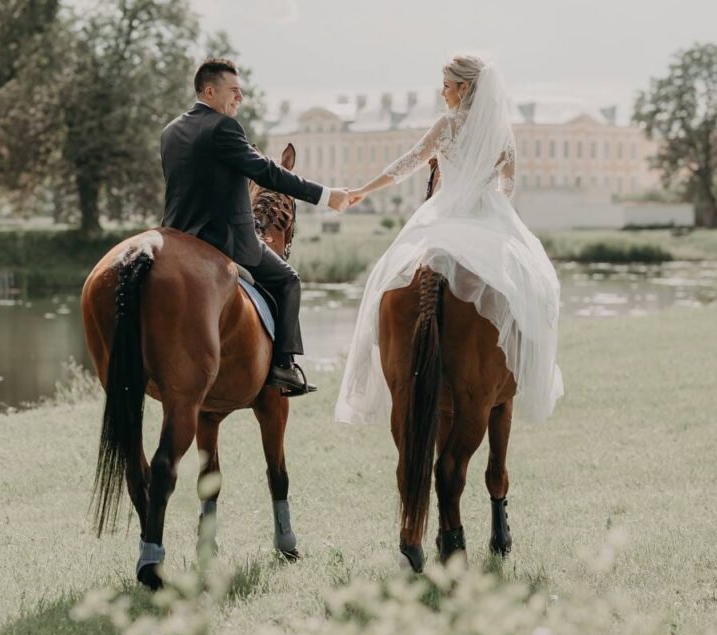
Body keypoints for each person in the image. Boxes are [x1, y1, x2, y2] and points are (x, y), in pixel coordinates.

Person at [335, 54, 564, 424]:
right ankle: (527, 364)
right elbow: (509, 184)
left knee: (387, 274)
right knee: (539, 284)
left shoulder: (446, 126)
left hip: (443, 213)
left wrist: (363, 190)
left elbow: (407, 163)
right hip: (489, 215)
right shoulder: (502, 132)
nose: (442, 93)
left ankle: (372, 364)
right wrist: (485, 199)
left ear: (464, 88)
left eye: (446, 86)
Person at [160, 59, 351, 395]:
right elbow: (268, 173)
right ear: (209, 90)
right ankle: (283, 367)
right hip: (225, 241)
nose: (240, 97)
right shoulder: (224, 128)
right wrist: (325, 195)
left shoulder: (170, 131)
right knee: (289, 280)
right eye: (234, 90)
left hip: (177, 239)